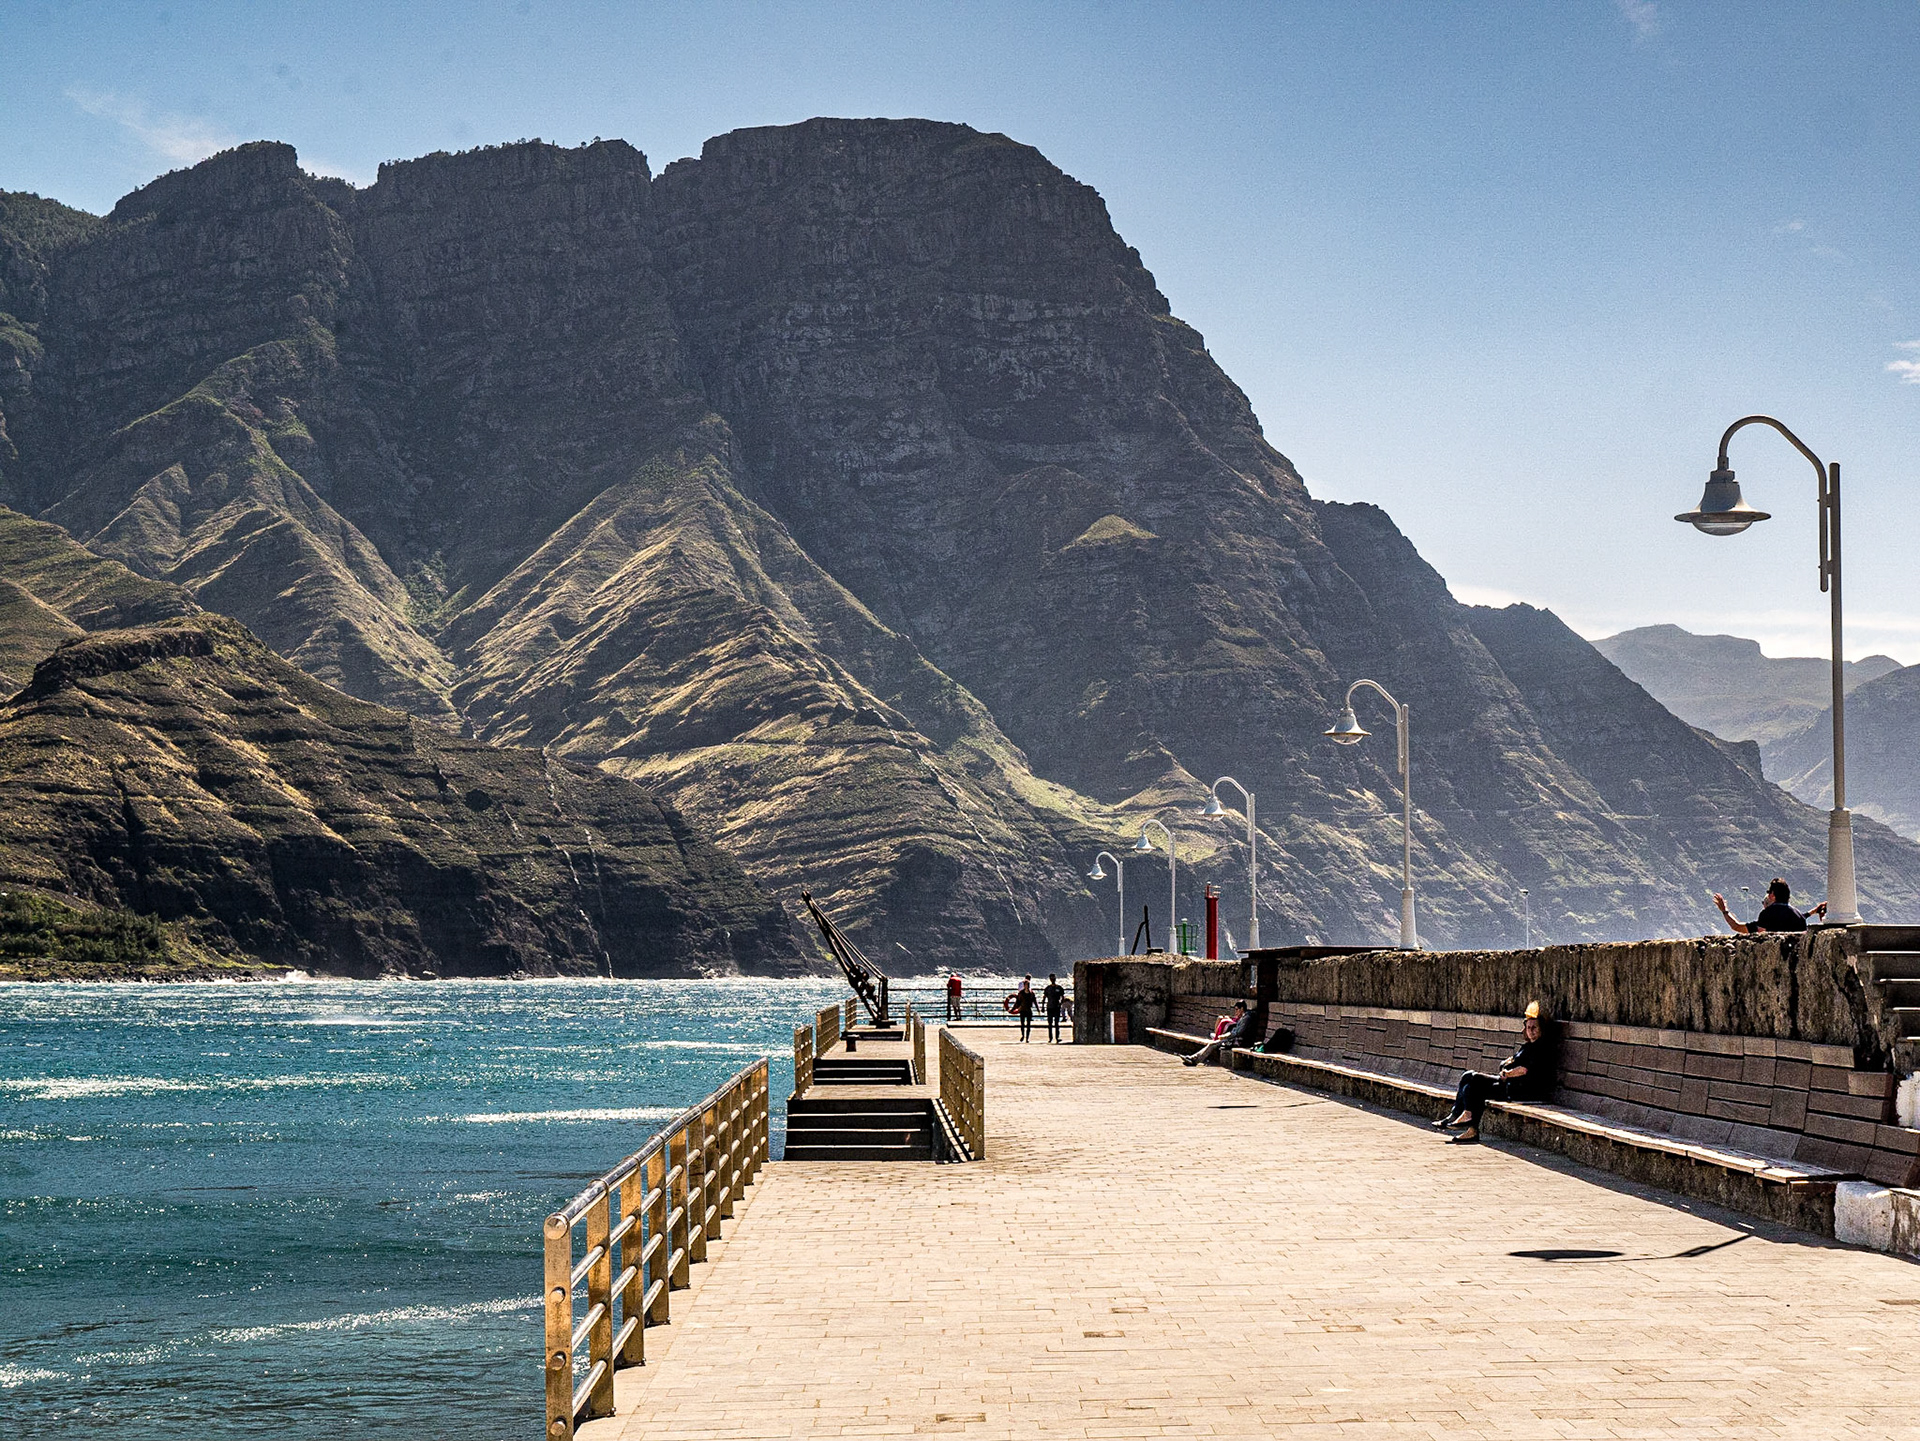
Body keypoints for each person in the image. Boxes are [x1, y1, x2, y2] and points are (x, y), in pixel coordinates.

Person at [1434, 1002, 1558, 1144]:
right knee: (1468, 1079)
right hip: (1509, 1085)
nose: (1531, 1031)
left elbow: (1524, 1070)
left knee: (1473, 1080)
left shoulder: (1541, 1048)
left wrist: (1508, 1073)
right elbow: (1511, 1062)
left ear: (1541, 1029)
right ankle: (1462, 1120)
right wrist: (1507, 1067)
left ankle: (1467, 1119)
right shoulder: (1528, 1046)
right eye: (1528, 1027)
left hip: (1522, 1090)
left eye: (1534, 1028)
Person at [1713, 878, 1824, 935]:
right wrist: (1814, 911)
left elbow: (1737, 927)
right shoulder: (1799, 916)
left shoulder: (1768, 914)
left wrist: (1724, 910)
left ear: (1772, 895)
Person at [1183, 1000, 1259, 1067]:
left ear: (1242, 1009)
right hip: (1235, 1039)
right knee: (1213, 1043)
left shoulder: (1246, 1018)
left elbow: (1238, 1032)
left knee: (1212, 1044)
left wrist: (1225, 1036)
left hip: (1241, 1042)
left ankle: (1194, 1060)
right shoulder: (1243, 1017)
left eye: (1237, 1009)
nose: (1235, 1012)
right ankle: (1193, 1058)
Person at [1042, 973, 1070, 1043]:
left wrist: (1060, 1003)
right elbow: (1044, 997)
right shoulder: (1048, 988)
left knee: (1056, 1023)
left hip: (1056, 1007)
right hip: (1049, 1007)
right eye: (1051, 978)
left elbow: (1062, 997)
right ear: (1050, 979)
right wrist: (1042, 1007)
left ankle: (1057, 1037)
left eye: (1053, 978)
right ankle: (1050, 1038)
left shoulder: (1059, 988)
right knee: (1050, 1023)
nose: (1053, 979)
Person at [1009, 976, 1037, 1042]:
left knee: (1028, 1025)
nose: (1027, 986)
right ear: (1024, 985)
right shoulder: (1021, 993)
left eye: (1028, 985)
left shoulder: (1031, 993)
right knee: (1022, 1024)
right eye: (1026, 985)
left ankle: (1027, 1038)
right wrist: (1013, 1009)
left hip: (1029, 1010)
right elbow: (1017, 1002)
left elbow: (1034, 1001)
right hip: (1022, 1009)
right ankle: (1023, 1035)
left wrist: (1038, 1008)